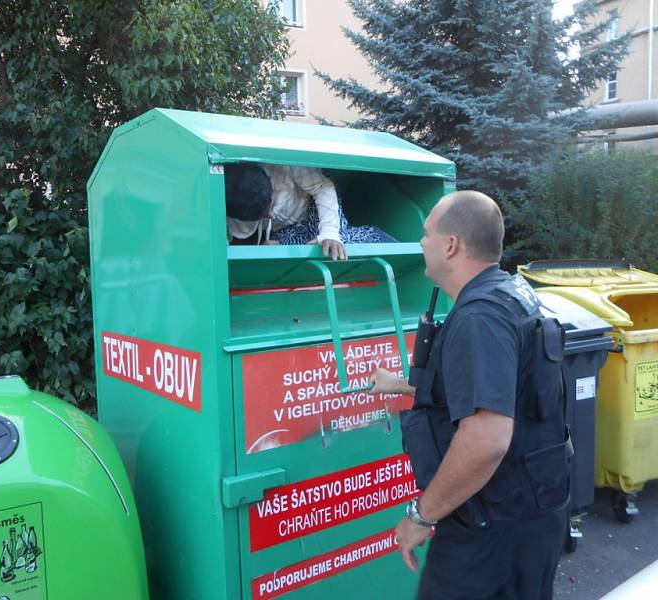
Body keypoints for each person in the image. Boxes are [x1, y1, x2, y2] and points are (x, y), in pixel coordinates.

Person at [370, 190, 569, 599]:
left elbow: (486, 440)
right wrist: (406, 384)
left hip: (493, 531)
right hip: (527, 517)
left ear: (451, 245)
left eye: (426, 234)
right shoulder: (510, 293)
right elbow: (503, 386)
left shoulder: (480, 317)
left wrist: (421, 515)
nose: (421, 242)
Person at [224, 163, 394, 260]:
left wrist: (329, 232)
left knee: (333, 244)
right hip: (292, 226)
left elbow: (323, 187)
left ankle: (373, 236)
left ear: (270, 183)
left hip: (314, 204)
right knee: (280, 251)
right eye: (261, 216)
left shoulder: (284, 166)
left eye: (270, 205)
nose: (271, 215)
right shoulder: (231, 204)